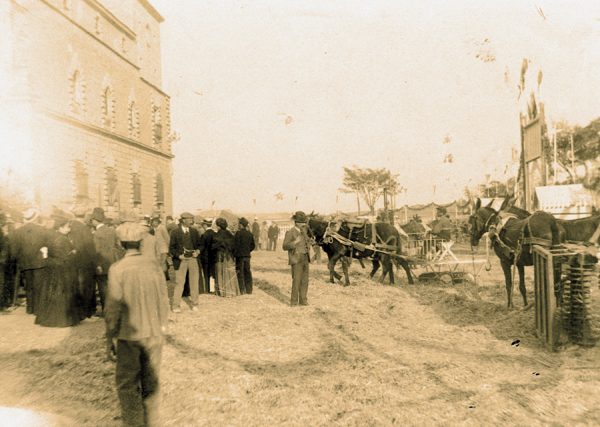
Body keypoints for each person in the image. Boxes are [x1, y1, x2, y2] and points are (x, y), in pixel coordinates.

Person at [105, 221, 169, 427]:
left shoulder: (117, 269)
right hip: (154, 333)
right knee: (152, 381)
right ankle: (152, 421)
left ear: (120, 244)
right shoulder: (154, 267)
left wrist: (110, 337)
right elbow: (163, 300)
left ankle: (134, 423)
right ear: (141, 242)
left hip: (128, 335)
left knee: (127, 384)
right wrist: (162, 326)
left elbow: (113, 309)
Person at [34, 212, 80, 327]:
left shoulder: (53, 237)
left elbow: (51, 253)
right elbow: (65, 258)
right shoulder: (63, 240)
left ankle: (49, 318)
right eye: (67, 227)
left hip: (53, 269)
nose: (69, 230)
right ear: (60, 227)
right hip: (62, 271)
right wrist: (74, 253)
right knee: (62, 294)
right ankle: (61, 319)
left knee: (51, 294)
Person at [9, 208, 50, 315]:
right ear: (36, 217)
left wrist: (16, 262)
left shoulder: (17, 232)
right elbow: (48, 246)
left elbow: (14, 250)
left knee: (29, 286)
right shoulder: (43, 230)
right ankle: (39, 308)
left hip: (25, 262)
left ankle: (30, 308)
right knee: (39, 285)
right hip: (40, 262)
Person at [92, 208, 124, 313]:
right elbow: (118, 247)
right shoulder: (112, 231)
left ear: (94, 220)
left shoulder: (96, 234)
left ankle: (106, 309)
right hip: (112, 262)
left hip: (101, 263)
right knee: (112, 285)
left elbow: (96, 251)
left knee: (102, 287)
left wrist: (97, 265)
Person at [169, 212, 201, 312]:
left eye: (192, 219)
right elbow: (171, 248)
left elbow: (200, 245)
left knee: (194, 282)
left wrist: (198, 251)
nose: (192, 221)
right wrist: (179, 256)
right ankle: (175, 306)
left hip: (193, 260)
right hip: (181, 261)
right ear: (183, 220)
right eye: (190, 219)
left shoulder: (194, 232)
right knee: (179, 283)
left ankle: (195, 304)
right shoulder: (175, 232)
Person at [69, 205, 97, 318]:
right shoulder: (84, 228)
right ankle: (87, 312)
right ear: (84, 215)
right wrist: (95, 262)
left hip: (74, 261)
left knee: (77, 286)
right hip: (85, 262)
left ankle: (79, 311)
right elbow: (90, 247)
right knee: (86, 287)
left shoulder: (71, 227)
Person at [282, 211, 312, 306]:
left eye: (304, 222)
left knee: (305, 280)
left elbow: (308, 242)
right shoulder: (290, 232)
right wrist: (295, 242)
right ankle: (294, 302)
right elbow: (284, 246)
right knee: (296, 280)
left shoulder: (305, 232)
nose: (304, 224)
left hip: (305, 258)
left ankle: (303, 300)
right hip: (296, 259)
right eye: (302, 222)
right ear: (297, 223)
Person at [212, 218, 240, 297]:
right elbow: (234, 246)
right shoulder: (230, 234)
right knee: (230, 273)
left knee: (220, 272)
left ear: (218, 226)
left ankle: (222, 292)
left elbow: (213, 247)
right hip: (229, 256)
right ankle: (231, 290)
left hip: (220, 256)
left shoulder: (217, 235)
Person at [233, 217, 255, 295]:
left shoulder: (238, 234)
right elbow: (253, 246)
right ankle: (249, 290)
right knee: (247, 272)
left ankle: (241, 290)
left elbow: (235, 245)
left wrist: (235, 254)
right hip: (247, 256)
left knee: (240, 273)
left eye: (239, 224)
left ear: (241, 225)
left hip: (240, 256)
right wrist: (247, 251)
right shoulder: (250, 234)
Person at [199, 219, 216, 294]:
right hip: (213, 257)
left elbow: (202, 247)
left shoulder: (204, 235)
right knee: (212, 273)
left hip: (205, 257)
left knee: (206, 274)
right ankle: (213, 289)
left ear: (205, 225)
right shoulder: (215, 234)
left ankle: (207, 289)